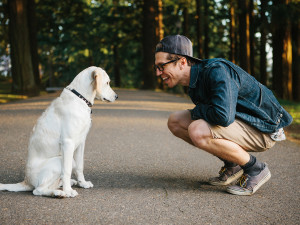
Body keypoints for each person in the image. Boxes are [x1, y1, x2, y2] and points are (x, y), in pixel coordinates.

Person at [154, 34, 293, 196]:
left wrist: (198, 112)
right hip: (243, 123)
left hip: (264, 129)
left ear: (182, 62)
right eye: (156, 67)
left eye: (162, 66)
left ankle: (255, 169)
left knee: (197, 129)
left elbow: (222, 116)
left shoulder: (216, 71)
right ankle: (232, 164)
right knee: (175, 121)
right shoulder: (194, 82)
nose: (158, 73)